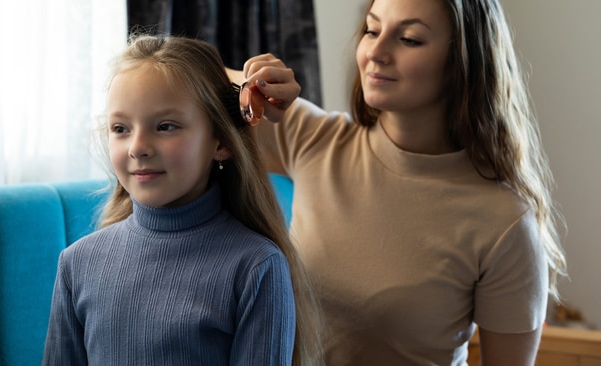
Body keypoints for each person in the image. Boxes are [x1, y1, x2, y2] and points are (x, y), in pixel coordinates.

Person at [227, 0, 568, 364]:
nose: (376, 51)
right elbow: (180, 77)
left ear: (463, 63)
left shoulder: (505, 220)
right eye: (372, 30)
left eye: (409, 39)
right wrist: (255, 85)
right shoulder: (313, 138)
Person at [42, 35, 323, 366]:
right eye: (120, 128)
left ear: (221, 142)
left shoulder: (257, 267)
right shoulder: (77, 265)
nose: (137, 147)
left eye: (165, 126)